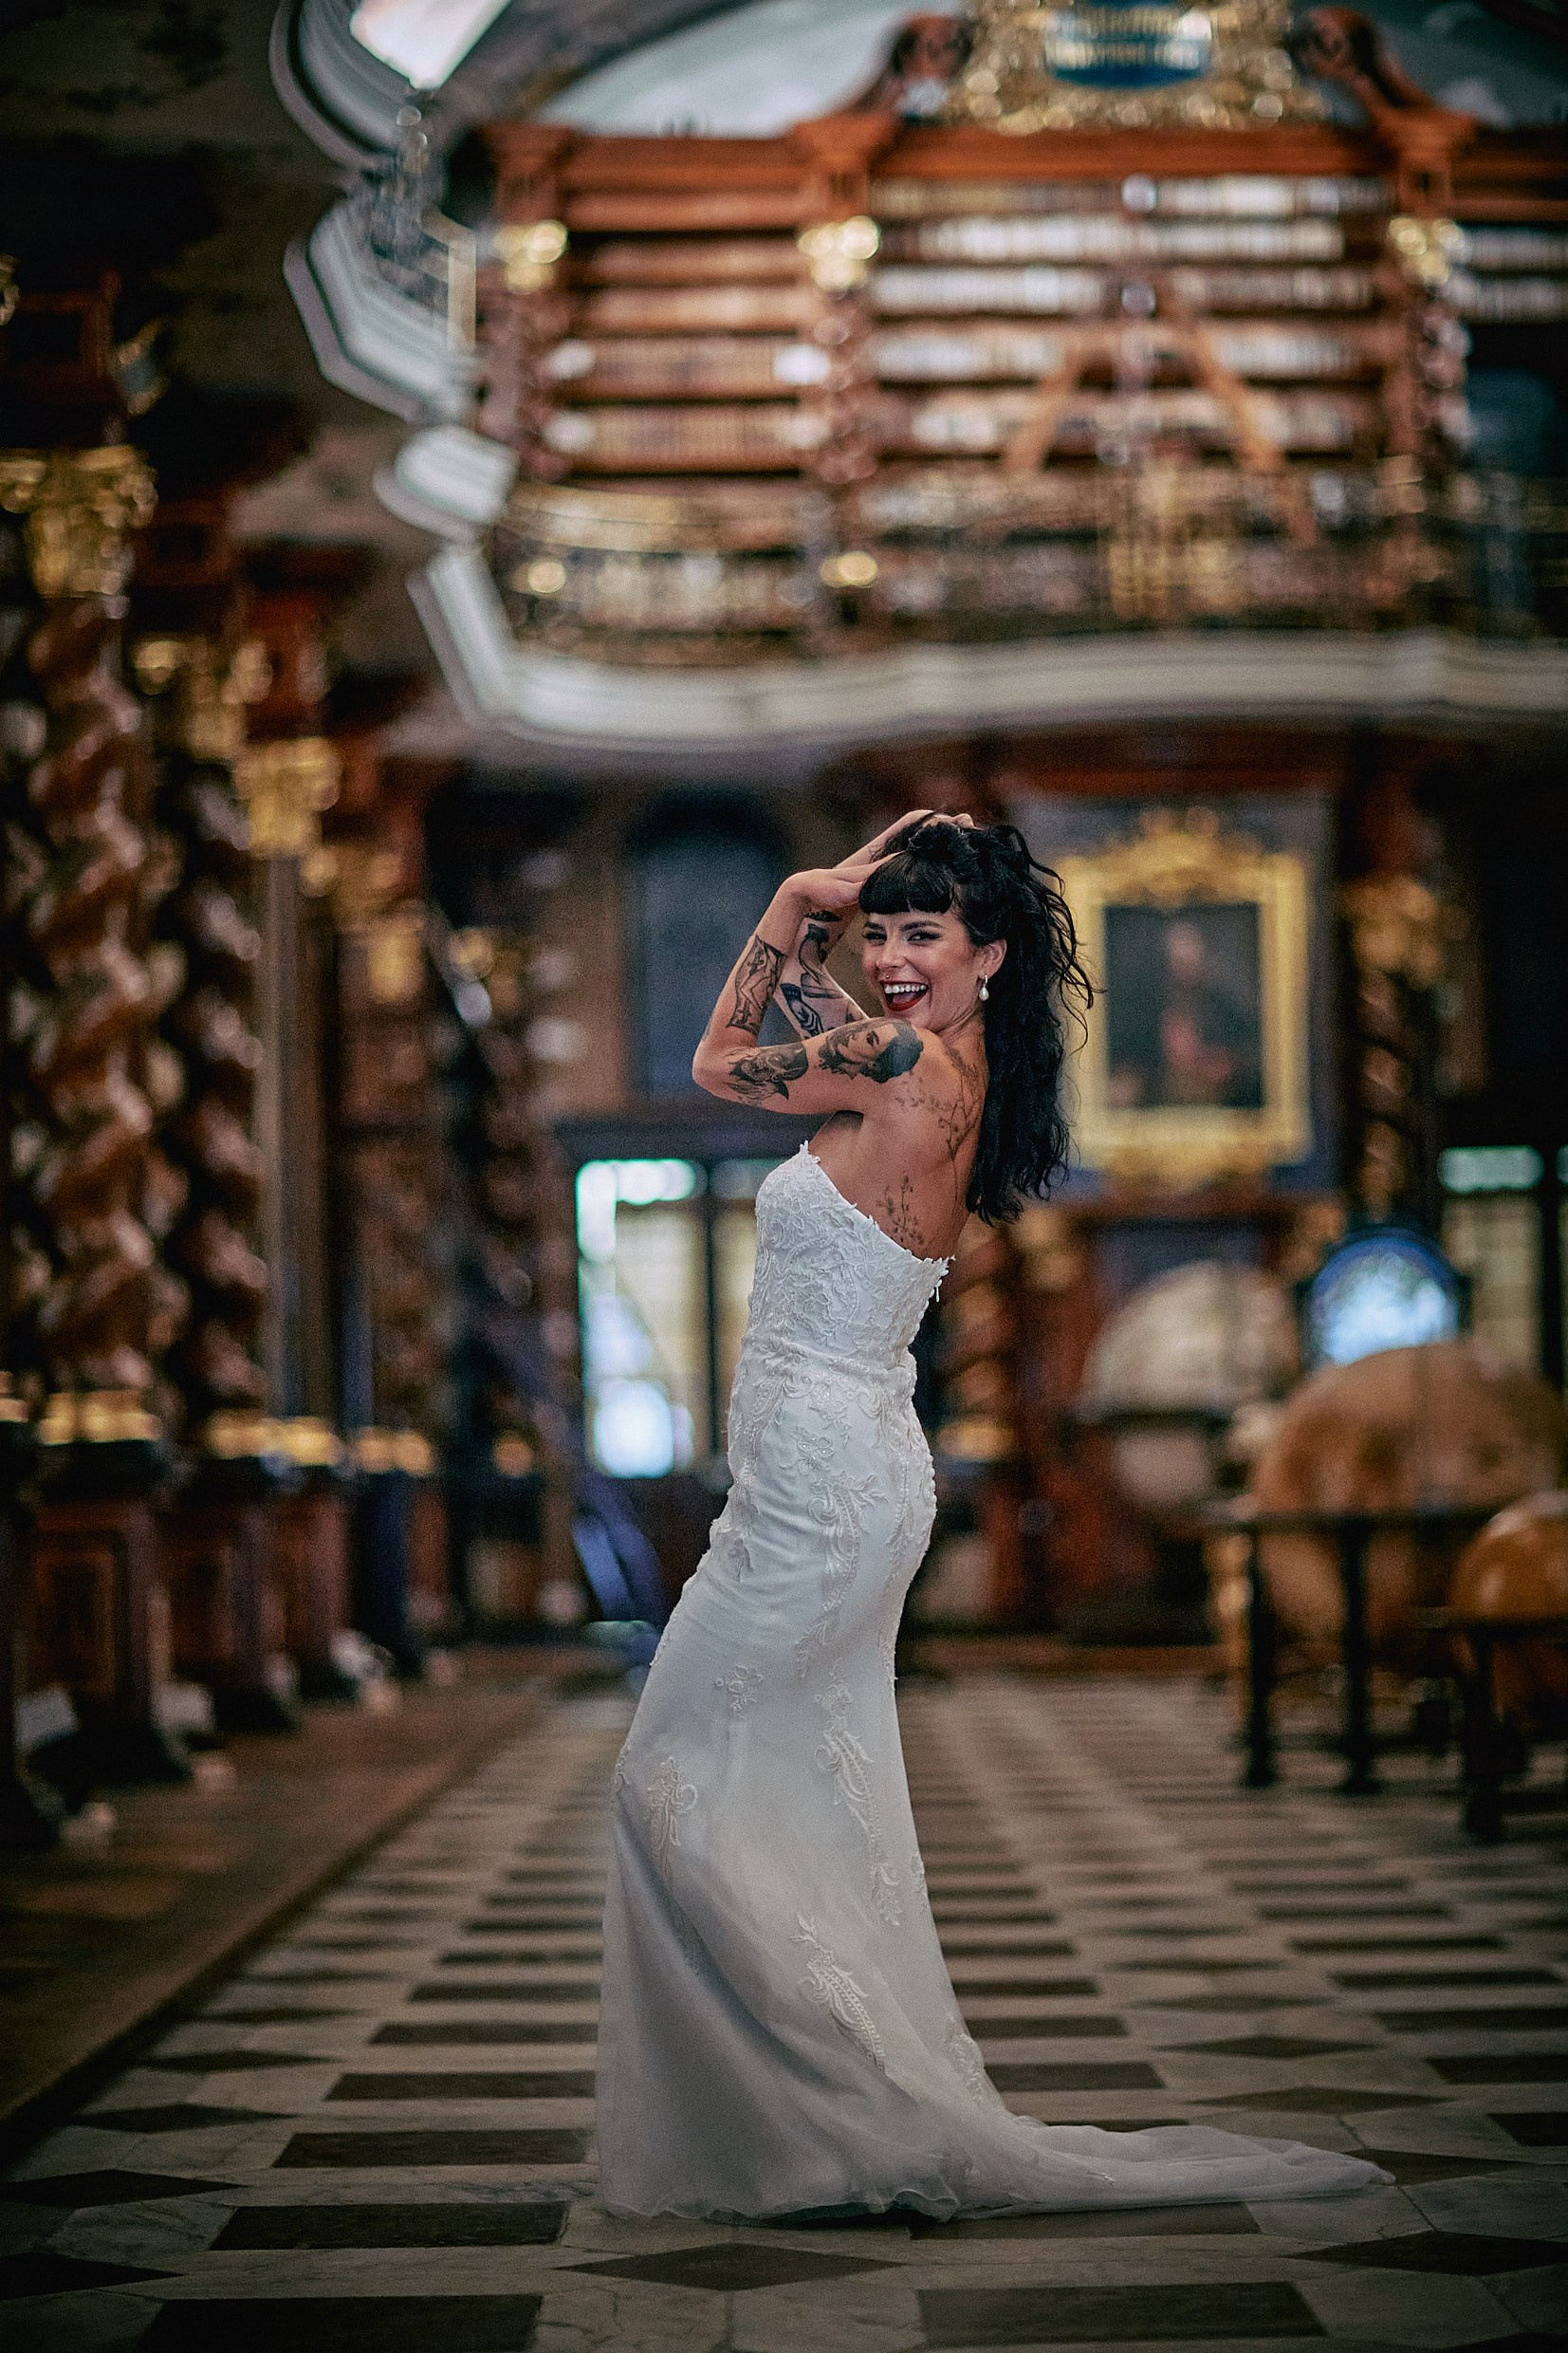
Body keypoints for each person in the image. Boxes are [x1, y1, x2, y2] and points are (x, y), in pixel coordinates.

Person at [596, 813, 1388, 2218]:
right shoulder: (927, 1066)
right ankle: (816, 2116)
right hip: (835, 1469)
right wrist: (816, 925)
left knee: (670, 1779)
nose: (893, 959)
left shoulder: (899, 1061)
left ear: (989, 959)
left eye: (924, 937)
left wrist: (796, 896)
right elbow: (771, 1036)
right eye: (881, 932)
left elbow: (720, 1059)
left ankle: (845, 2109)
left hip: (825, 1482)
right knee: (756, 1780)